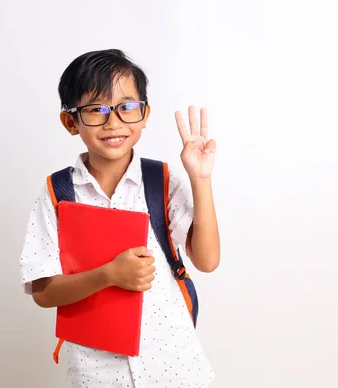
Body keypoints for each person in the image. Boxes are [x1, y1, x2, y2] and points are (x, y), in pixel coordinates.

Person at [19, 49, 220, 387]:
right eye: (96, 109)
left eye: (126, 107)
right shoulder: (58, 192)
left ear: (144, 115)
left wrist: (200, 179)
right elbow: (44, 292)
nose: (113, 122)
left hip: (174, 366)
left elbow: (207, 260)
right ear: (71, 121)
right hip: (98, 374)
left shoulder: (163, 180)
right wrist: (109, 275)